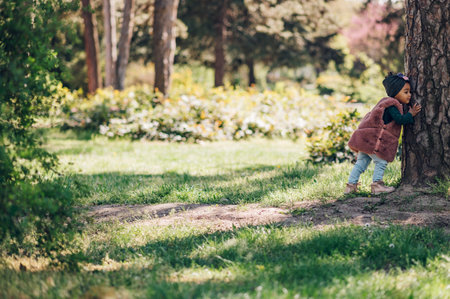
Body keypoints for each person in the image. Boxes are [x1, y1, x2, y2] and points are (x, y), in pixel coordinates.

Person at [345, 72, 421, 195]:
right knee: (381, 162)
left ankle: (350, 186)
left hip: (366, 140)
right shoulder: (392, 105)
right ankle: (377, 185)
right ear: (395, 92)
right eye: (405, 92)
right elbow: (400, 120)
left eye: (410, 92)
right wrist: (411, 114)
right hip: (375, 141)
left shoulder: (384, 103)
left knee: (361, 163)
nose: (410, 95)